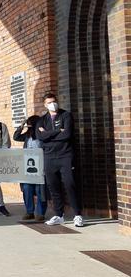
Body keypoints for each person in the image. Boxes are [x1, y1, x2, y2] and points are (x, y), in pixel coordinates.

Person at [36, 92, 83, 227]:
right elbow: (41, 137)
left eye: (54, 101)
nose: (52, 104)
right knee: (53, 186)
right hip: (49, 157)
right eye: (49, 102)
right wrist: (57, 132)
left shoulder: (66, 115)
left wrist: (48, 134)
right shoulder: (41, 120)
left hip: (65, 156)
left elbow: (67, 134)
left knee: (70, 184)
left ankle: (78, 215)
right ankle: (59, 214)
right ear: (45, 105)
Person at [14, 115, 47, 222]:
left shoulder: (43, 135)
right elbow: (16, 137)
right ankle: (29, 212)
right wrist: (21, 126)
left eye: (30, 123)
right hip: (28, 167)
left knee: (39, 190)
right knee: (27, 189)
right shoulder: (27, 135)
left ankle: (40, 213)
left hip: (40, 167)